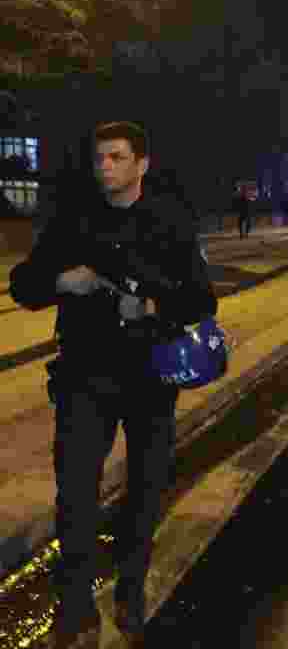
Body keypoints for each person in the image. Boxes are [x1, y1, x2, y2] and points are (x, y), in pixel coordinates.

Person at [10, 121, 217, 647]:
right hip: (85, 377)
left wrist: (151, 305)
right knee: (76, 494)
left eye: (117, 157)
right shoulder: (74, 220)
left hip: (150, 380)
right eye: (100, 157)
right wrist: (62, 281)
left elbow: (201, 299)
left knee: (144, 494)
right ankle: (76, 605)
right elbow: (24, 283)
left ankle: (130, 589)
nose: (105, 166)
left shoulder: (169, 222)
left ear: (141, 164)